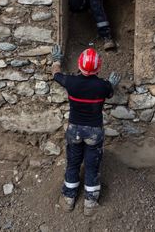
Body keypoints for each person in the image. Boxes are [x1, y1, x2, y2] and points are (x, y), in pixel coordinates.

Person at [51, 45, 120, 216]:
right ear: (99, 67)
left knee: (73, 163)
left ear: (80, 65)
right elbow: (110, 92)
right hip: (94, 132)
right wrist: (111, 84)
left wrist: (56, 60)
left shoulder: (71, 82)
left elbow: (55, 75)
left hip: (74, 130)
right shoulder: (102, 86)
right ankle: (90, 203)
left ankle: (68, 199)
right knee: (92, 165)